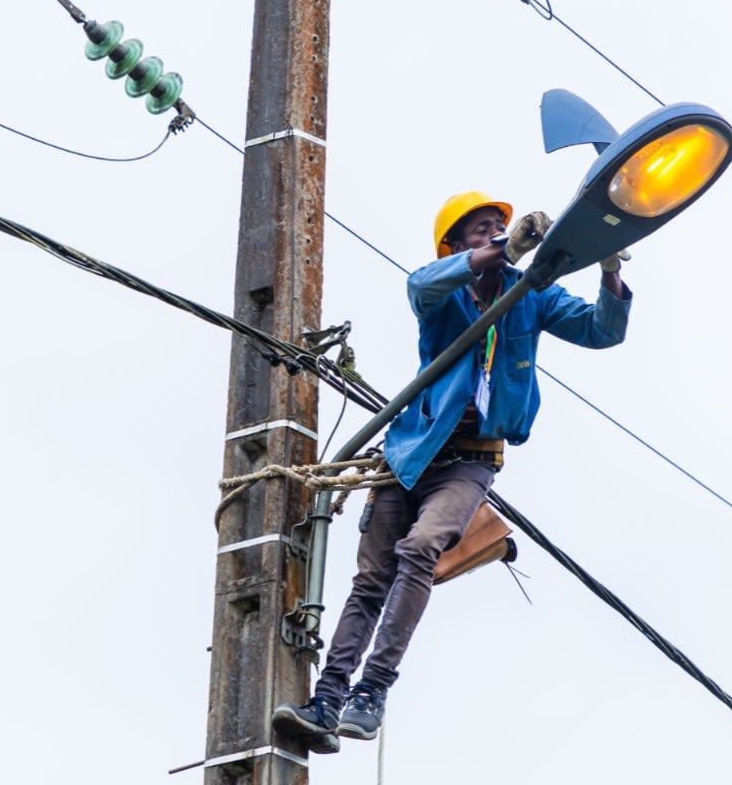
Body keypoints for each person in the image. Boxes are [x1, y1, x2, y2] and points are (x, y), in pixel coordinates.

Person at [271, 191, 633, 753]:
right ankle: (327, 699)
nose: (494, 234)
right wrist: (500, 251)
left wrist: (609, 265)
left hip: (471, 460)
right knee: (370, 581)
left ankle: (371, 694)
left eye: (500, 227)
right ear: (457, 245)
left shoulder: (531, 296)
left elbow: (602, 331)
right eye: (481, 229)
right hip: (412, 453)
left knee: (421, 549)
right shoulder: (443, 293)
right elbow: (420, 285)